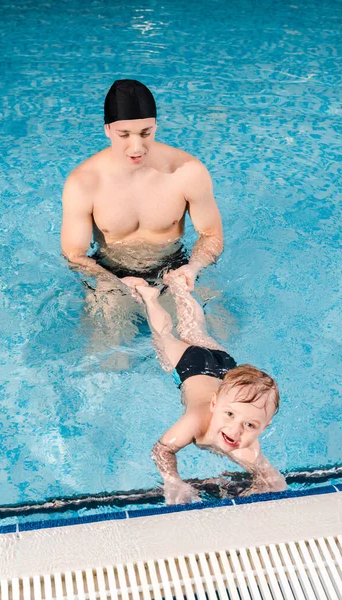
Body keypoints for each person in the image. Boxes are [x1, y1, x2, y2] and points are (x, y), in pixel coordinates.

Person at [123, 273, 287, 505]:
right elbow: (162, 450)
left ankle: (180, 288)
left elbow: (275, 483)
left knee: (196, 331)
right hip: (189, 365)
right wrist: (173, 481)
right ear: (213, 404)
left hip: (227, 369)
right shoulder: (196, 420)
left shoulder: (248, 447)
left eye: (250, 425)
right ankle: (149, 297)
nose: (236, 430)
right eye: (229, 414)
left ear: (265, 426)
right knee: (163, 335)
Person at [61, 79, 223, 293]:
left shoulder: (187, 172)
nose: (136, 147)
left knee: (204, 321)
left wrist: (193, 267)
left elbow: (211, 234)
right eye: (124, 135)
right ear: (107, 129)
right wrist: (111, 281)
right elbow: (74, 255)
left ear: (156, 126)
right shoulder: (83, 183)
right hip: (110, 272)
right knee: (110, 319)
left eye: (146, 133)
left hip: (174, 267)